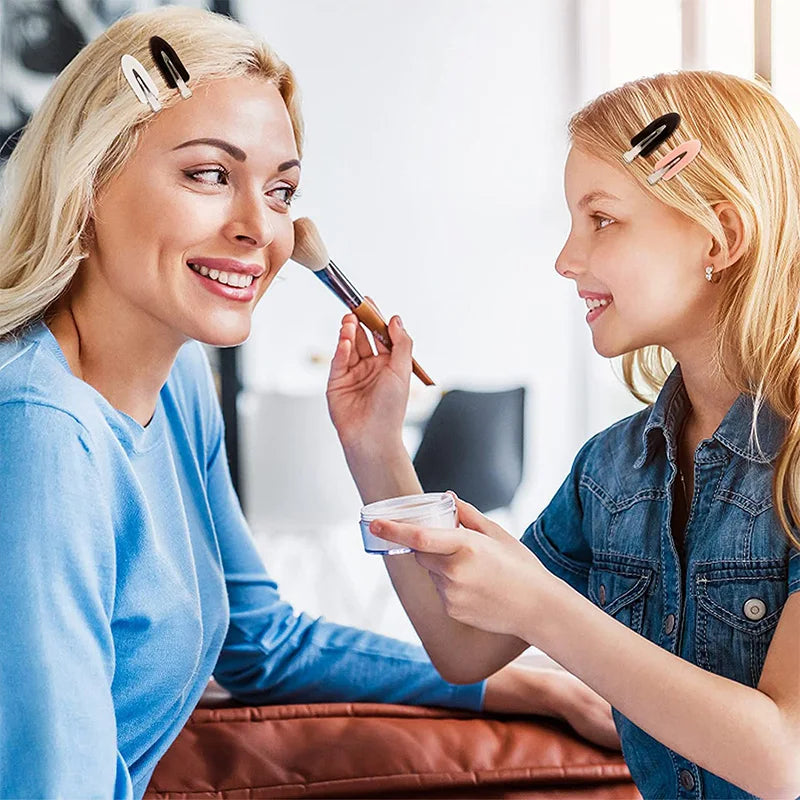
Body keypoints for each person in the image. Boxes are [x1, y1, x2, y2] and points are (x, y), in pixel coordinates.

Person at [0, 7, 619, 799]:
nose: (261, 227)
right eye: (209, 174)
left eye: (282, 189)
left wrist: (531, 685)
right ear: (86, 181)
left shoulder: (179, 384)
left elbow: (261, 644)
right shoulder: (42, 435)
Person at [328, 71, 800, 800]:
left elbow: (784, 759)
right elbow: (463, 649)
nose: (566, 259)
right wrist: (376, 449)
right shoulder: (610, 473)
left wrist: (539, 603)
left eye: (601, 219)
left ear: (723, 236)